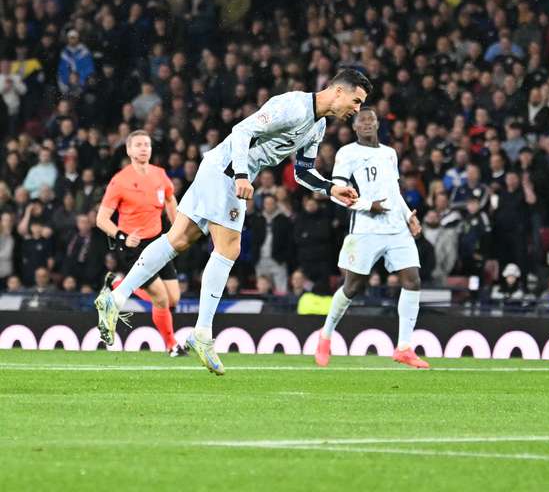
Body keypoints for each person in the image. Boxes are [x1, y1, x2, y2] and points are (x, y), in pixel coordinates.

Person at [94, 70, 367, 375]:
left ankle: (115, 298)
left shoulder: (317, 127)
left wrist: (331, 188)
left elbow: (302, 172)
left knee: (178, 239)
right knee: (228, 248)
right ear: (339, 91)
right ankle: (202, 333)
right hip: (227, 172)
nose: (357, 109)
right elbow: (241, 131)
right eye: (356, 101)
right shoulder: (293, 106)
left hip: (220, 168)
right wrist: (240, 174)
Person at [314, 107, 427, 369]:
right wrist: (368, 205)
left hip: (396, 228)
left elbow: (393, 191)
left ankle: (404, 348)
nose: (366, 123)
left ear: (377, 124)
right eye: (361, 120)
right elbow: (336, 193)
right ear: (354, 127)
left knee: (413, 280)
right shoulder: (347, 153)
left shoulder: (389, 153)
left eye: (370, 120)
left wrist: (409, 215)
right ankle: (326, 334)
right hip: (365, 229)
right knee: (353, 287)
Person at [96, 130, 186, 356]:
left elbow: (170, 199)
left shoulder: (159, 175)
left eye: (147, 144)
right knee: (161, 297)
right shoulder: (120, 181)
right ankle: (172, 346)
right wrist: (122, 237)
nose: (144, 148)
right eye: (138, 145)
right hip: (132, 247)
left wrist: (177, 229)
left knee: (173, 298)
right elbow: (101, 219)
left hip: (159, 244)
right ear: (128, 150)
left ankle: (116, 286)